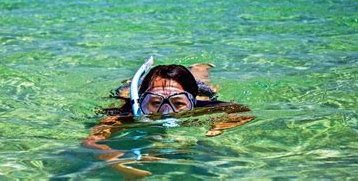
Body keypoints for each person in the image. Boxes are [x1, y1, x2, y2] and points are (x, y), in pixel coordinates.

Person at [83, 62, 254, 178]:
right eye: (156, 103)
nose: (166, 112)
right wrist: (115, 159)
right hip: (136, 93)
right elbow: (92, 141)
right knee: (124, 92)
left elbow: (243, 111)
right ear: (142, 100)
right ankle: (132, 84)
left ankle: (199, 67)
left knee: (203, 84)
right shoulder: (125, 115)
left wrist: (219, 126)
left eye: (178, 103)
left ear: (192, 102)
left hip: (194, 89)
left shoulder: (201, 106)